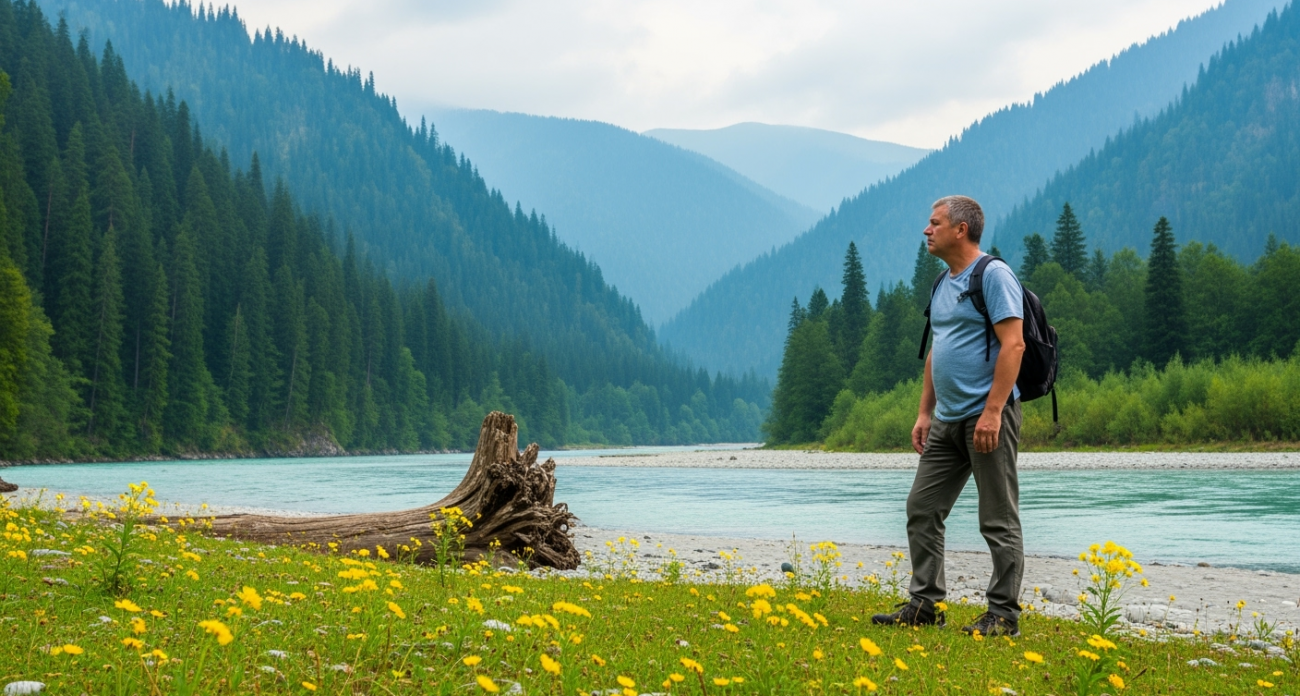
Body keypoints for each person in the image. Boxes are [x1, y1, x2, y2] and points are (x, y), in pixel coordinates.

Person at [871, 195, 1026, 637]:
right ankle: (925, 605)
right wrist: (925, 411)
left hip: (986, 416)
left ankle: (1003, 616)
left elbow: (1014, 345)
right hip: (948, 419)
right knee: (922, 508)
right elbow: (938, 349)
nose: (926, 230)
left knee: (997, 517)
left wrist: (994, 411)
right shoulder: (942, 283)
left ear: (961, 229)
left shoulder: (993, 276)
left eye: (934, 223)